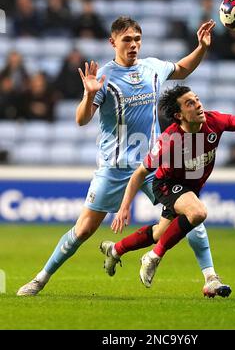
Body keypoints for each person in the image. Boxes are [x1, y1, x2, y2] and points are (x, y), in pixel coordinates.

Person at [17, 16, 215, 296]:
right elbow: (81, 119)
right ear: (113, 42)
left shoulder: (153, 68)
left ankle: (211, 278)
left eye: (137, 39)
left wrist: (202, 47)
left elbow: (182, 68)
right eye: (127, 40)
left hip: (153, 167)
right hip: (114, 168)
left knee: (191, 211)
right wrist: (89, 95)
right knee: (84, 230)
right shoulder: (104, 78)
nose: (133, 45)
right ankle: (40, 279)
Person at [107, 85, 235, 296]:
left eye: (196, 99)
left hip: (189, 188)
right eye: (190, 103)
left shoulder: (215, 122)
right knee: (198, 213)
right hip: (166, 184)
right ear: (179, 115)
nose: (198, 105)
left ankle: (116, 249)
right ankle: (154, 257)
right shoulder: (169, 141)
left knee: (160, 233)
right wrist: (124, 207)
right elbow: (139, 174)